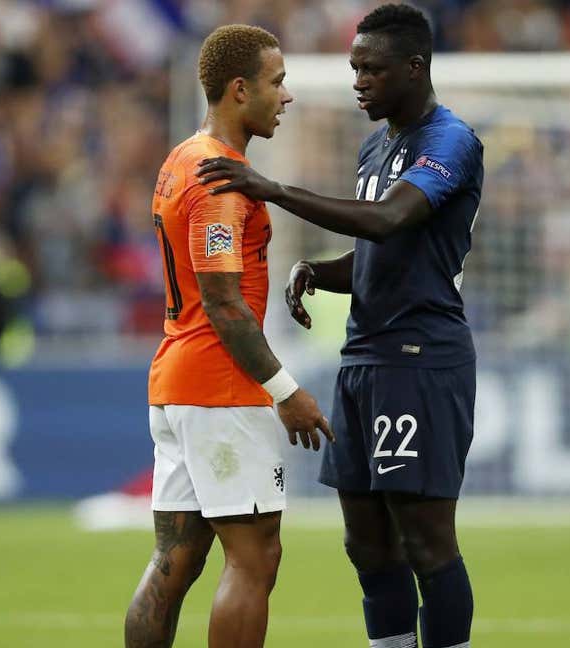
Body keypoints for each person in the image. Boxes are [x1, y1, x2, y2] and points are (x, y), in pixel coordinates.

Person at [195, 5, 483, 647]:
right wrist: (318, 273)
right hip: (363, 360)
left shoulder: (450, 141)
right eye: (354, 68)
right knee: (367, 543)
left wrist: (268, 188)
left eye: (372, 70)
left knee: (425, 540)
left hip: (420, 360)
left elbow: (388, 221)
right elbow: (379, 253)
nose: (358, 81)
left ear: (415, 68)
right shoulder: (375, 144)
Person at [124, 24, 334, 648]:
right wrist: (285, 388)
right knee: (254, 558)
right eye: (277, 82)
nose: (287, 96)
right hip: (221, 388)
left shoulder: (181, 159)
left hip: (177, 381)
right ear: (239, 90)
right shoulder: (220, 178)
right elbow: (223, 303)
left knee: (175, 560)